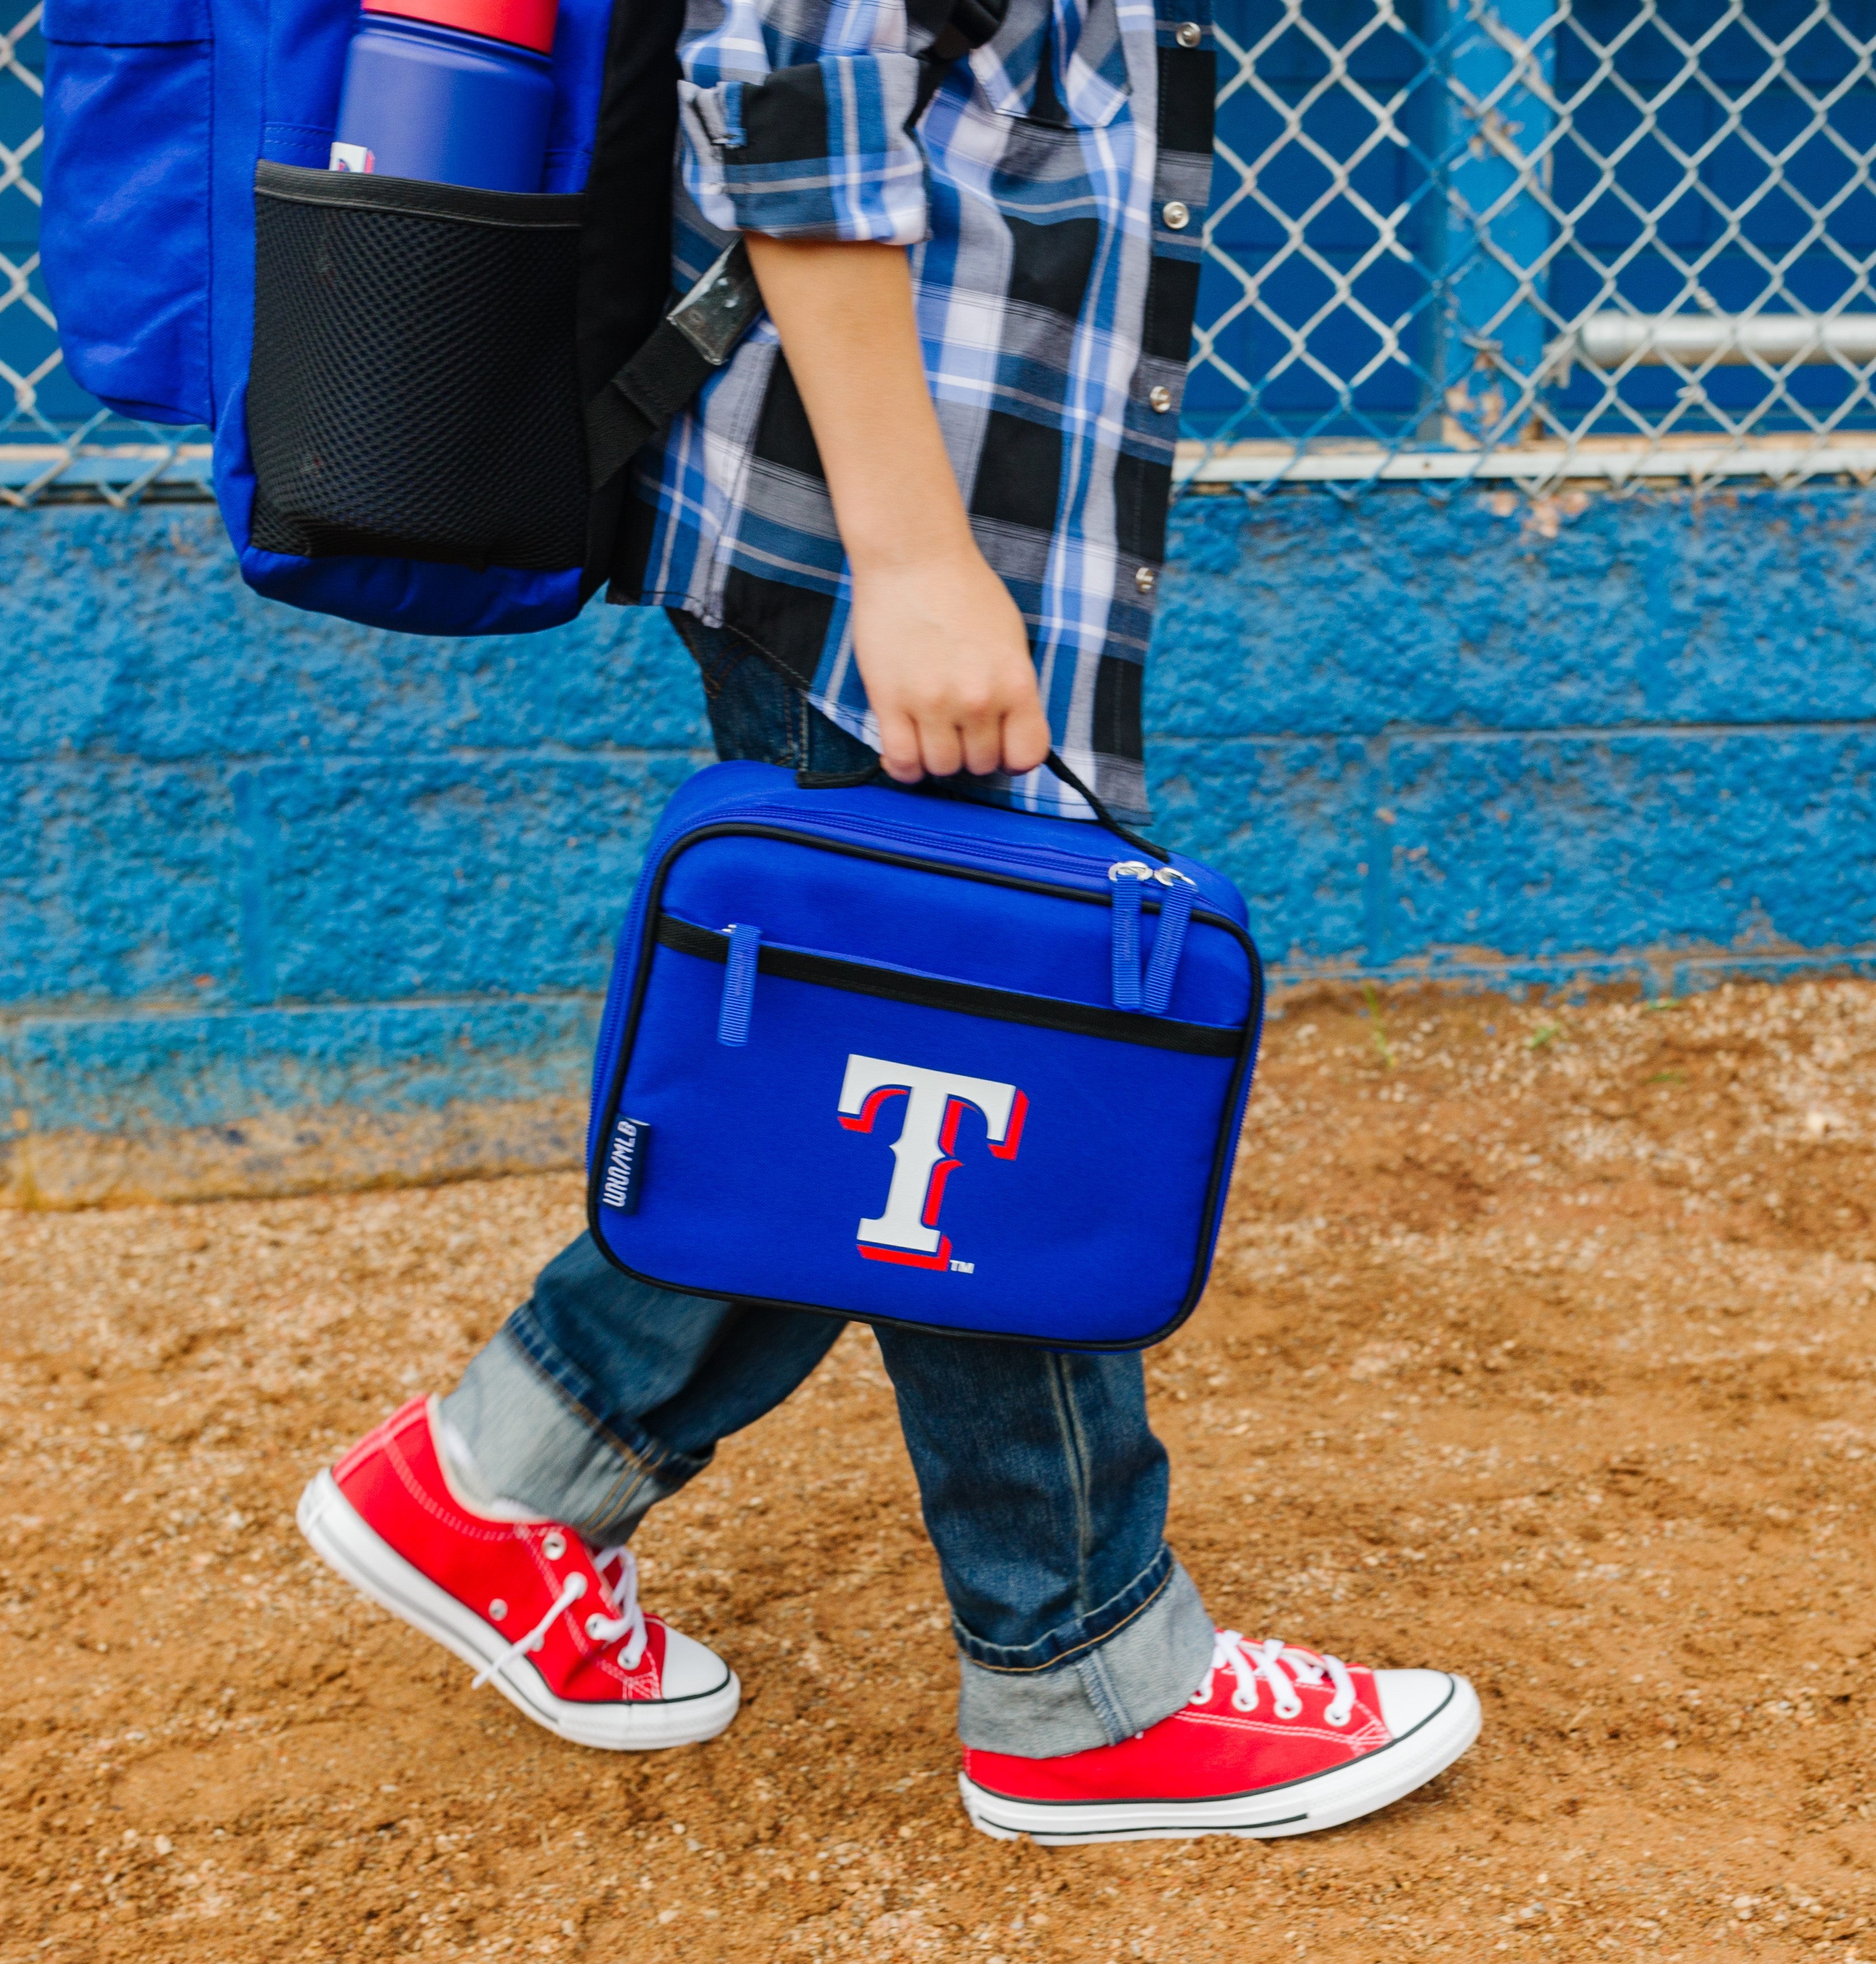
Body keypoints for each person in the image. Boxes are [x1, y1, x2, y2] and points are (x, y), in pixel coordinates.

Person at [296, 0, 1482, 1842]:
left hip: (922, 536)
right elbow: (792, 86)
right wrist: (918, 565)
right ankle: (1086, 1677)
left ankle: (504, 1480)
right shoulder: (901, 556)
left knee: (866, 1091)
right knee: (985, 1068)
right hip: (874, 544)